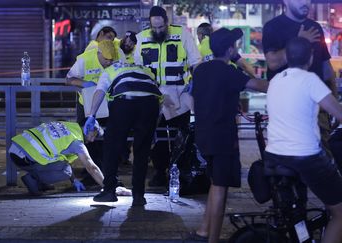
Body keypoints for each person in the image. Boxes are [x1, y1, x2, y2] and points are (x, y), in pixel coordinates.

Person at [190, 28, 268, 243]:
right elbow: (260, 86)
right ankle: (213, 239)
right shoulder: (228, 72)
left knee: (215, 183)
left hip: (204, 134)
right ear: (230, 49)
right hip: (222, 137)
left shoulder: (200, 70)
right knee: (220, 187)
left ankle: (204, 231)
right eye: (235, 45)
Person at [265, 37, 342, 243]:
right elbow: (337, 112)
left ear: (287, 57)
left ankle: (302, 235)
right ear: (310, 58)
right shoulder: (310, 80)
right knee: (340, 212)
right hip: (304, 157)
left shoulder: (276, 80)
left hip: (274, 155)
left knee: (298, 210)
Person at [134, 6, 200, 187]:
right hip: (153, 97)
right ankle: (159, 172)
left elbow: (196, 62)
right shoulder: (142, 38)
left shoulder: (182, 35)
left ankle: (179, 171)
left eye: (161, 27)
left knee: (180, 136)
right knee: (157, 138)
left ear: (167, 22)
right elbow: (137, 66)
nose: (157, 31)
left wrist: (194, 88)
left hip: (179, 95)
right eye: (154, 27)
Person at [263, 0, 337, 158]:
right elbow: (273, 63)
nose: (305, 3)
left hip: (318, 108)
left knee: (323, 154)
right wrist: (298, 40)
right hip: (286, 108)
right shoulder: (273, 27)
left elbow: (326, 69)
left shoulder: (315, 27)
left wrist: (333, 101)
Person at [84, 61, 162, 206]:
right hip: (150, 104)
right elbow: (158, 96)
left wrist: (91, 115)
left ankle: (109, 191)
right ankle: (139, 195)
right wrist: (153, 127)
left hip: (124, 103)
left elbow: (100, 91)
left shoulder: (110, 70)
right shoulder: (145, 69)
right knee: (142, 151)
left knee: (112, 147)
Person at [66, 40, 118, 185]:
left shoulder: (117, 58)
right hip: (87, 106)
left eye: (111, 59)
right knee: (90, 141)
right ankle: (92, 175)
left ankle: (108, 174)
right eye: (106, 59)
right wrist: (84, 83)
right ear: (98, 53)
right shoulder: (85, 59)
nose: (109, 62)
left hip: (109, 106)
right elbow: (68, 79)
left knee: (109, 140)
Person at [9, 120, 105, 196]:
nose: (92, 140)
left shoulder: (68, 126)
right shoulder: (77, 143)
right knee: (66, 171)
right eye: (93, 135)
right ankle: (33, 178)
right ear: (87, 129)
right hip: (26, 157)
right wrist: (107, 187)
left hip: (15, 149)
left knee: (62, 163)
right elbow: (92, 167)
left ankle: (41, 183)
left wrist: (74, 180)